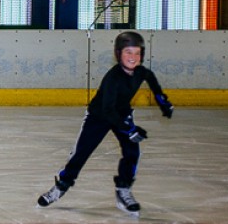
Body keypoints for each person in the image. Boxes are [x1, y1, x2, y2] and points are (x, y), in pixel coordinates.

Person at [35, 31, 173, 217]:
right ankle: (62, 186)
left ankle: (123, 189)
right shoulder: (113, 78)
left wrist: (163, 102)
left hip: (122, 114)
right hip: (98, 117)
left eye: (137, 53)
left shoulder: (142, 72)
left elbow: (153, 83)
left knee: (132, 151)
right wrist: (130, 129)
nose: (133, 57)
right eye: (128, 52)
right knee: (81, 153)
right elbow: (108, 111)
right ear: (118, 54)